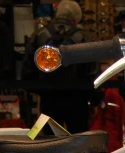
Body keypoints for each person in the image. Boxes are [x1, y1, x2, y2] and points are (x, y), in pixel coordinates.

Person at [22, 1, 93, 134]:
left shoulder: (39, 34)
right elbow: (92, 72)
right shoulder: (83, 37)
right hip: (77, 101)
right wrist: (93, 100)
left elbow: (27, 72)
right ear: (76, 19)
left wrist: (41, 90)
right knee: (79, 142)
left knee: (47, 141)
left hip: (48, 100)